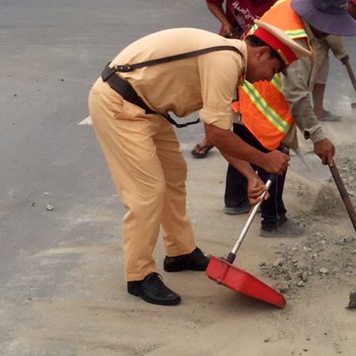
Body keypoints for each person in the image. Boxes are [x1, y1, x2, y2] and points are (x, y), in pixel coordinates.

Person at [88, 23, 311, 306]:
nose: (270, 79)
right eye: (274, 70)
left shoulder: (231, 60)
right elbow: (217, 135)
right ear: (262, 54)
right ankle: (138, 275)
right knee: (147, 192)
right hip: (118, 105)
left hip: (148, 108)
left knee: (174, 175)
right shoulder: (225, 61)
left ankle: (180, 252)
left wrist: (250, 175)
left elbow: (218, 132)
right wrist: (264, 160)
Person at [223, 0, 356, 237]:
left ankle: (234, 200)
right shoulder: (295, 43)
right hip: (266, 100)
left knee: (242, 141)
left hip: (244, 88)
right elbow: (296, 95)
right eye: (330, 28)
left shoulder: (292, 1)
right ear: (318, 20)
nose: (330, 33)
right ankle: (273, 219)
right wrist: (318, 136)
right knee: (274, 157)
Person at [191, 0, 284, 159]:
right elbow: (211, 0)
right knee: (218, 95)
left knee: (244, 95)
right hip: (226, 49)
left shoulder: (274, 4)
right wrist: (225, 22)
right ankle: (213, 136)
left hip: (252, 57)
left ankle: (237, 136)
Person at [311, 0, 356, 121]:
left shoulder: (343, 7)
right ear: (351, 3)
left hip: (321, 37)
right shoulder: (337, 7)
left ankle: (318, 110)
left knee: (322, 73)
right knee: (311, 72)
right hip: (312, 36)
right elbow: (333, 35)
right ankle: (297, 113)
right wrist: (342, 54)